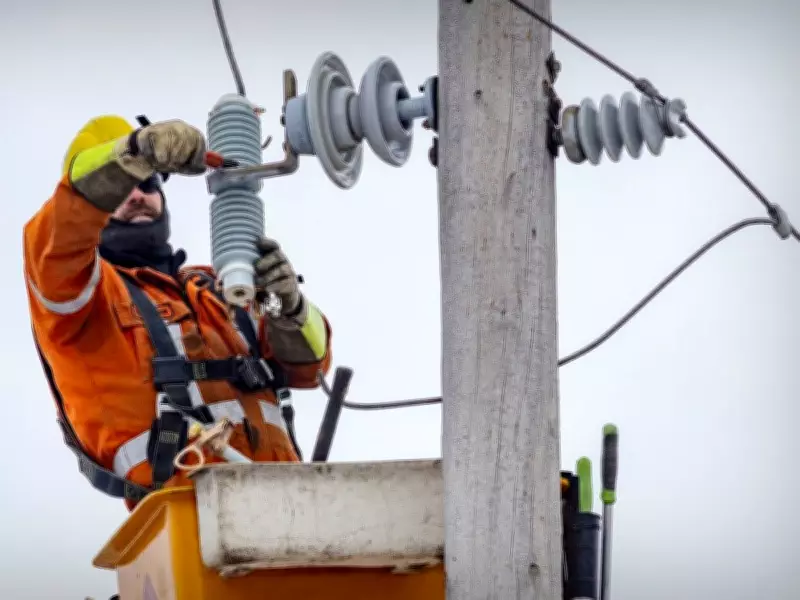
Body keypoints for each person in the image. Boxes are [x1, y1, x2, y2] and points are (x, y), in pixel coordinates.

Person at [23, 115, 332, 510]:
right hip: (183, 516)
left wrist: (288, 306)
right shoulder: (81, 297)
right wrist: (135, 153)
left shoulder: (216, 287)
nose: (137, 196)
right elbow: (60, 233)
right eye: (120, 189)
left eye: (148, 184)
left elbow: (310, 368)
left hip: (290, 507)